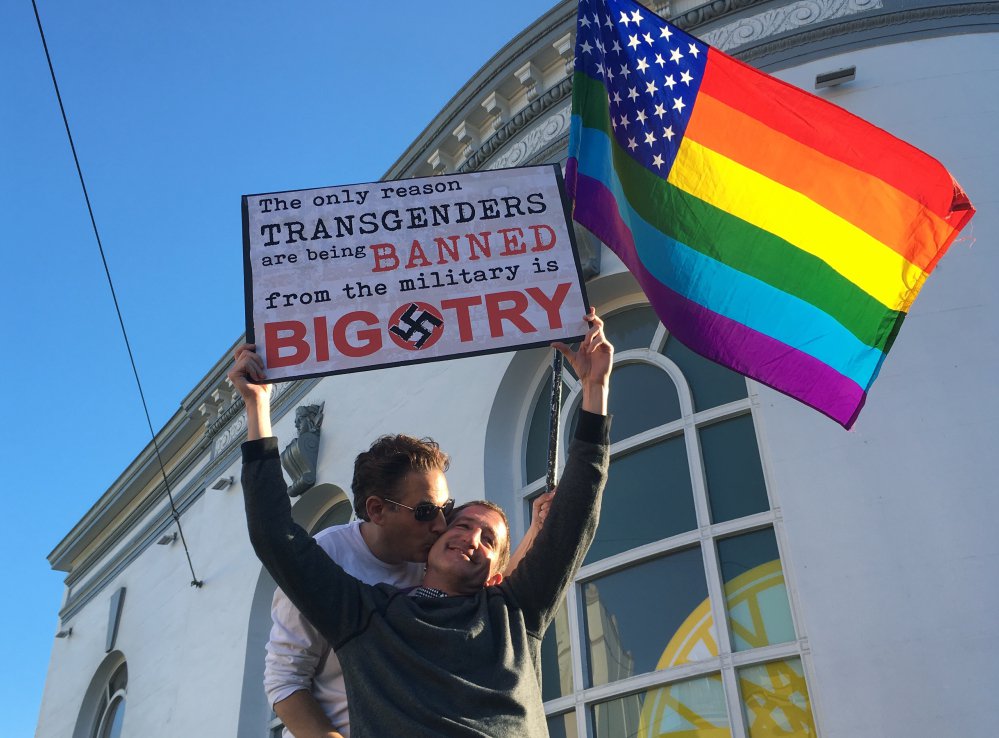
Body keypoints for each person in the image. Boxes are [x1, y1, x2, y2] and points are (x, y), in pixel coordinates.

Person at [233, 310, 612, 737]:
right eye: (457, 523)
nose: (467, 536)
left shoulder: (513, 615)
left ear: (494, 576)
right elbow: (275, 537)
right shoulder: (366, 613)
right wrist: (258, 408)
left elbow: (576, 517)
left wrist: (594, 390)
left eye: (488, 539)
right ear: (381, 513)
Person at [264, 435, 553, 738]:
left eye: (446, 508)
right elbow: (284, 680)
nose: (442, 525)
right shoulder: (327, 559)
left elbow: (498, 593)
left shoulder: (431, 554)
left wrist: (538, 531)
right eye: (426, 511)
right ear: (376, 511)